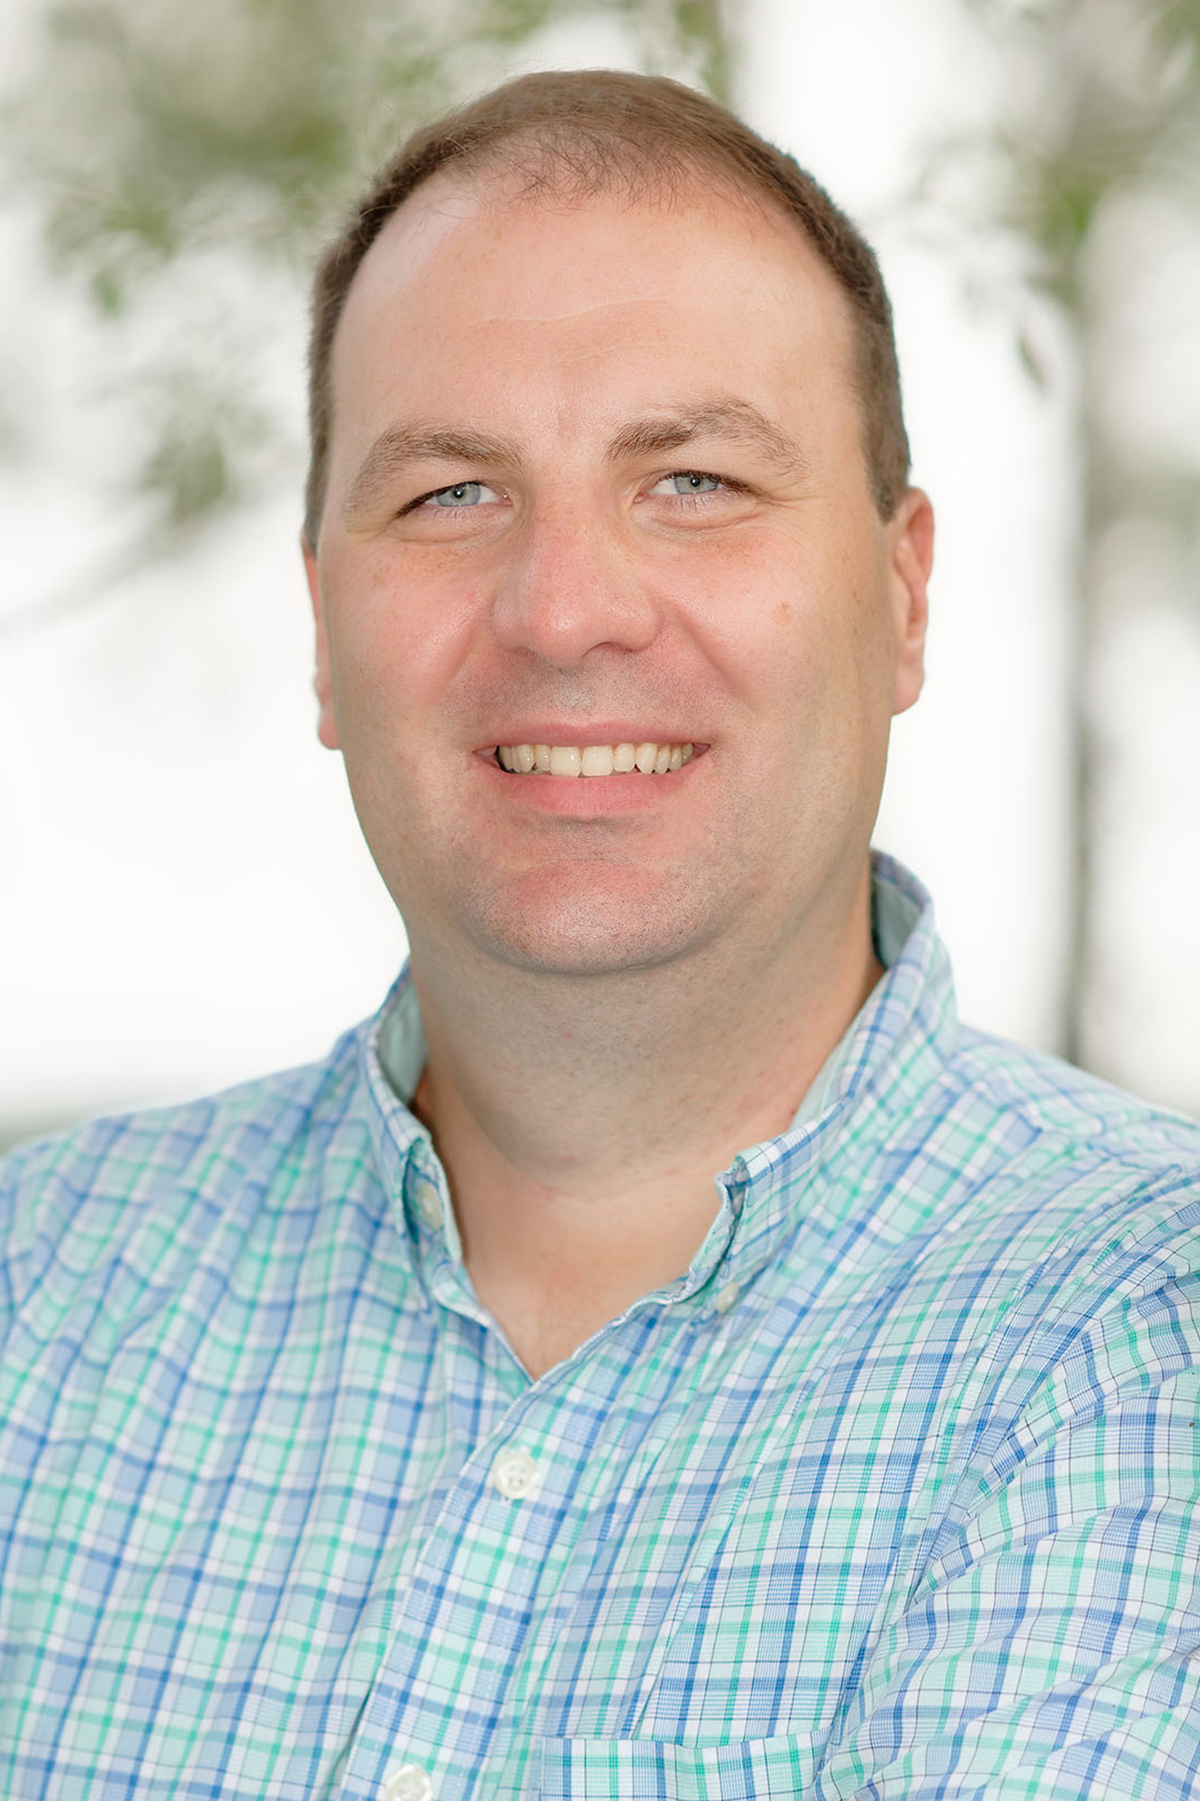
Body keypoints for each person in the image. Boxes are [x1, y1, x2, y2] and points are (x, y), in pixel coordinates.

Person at [3, 67, 1200, 1801]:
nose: (566, 609)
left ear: (904, 592)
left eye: (696, 479)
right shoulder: (36, 1301)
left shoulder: (1145, 1340)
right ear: (323, 627)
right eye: (450, 495)